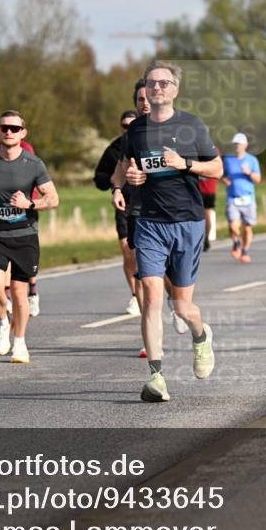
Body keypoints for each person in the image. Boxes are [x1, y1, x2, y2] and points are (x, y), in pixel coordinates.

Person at [116, 61, 221, 402]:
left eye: (164, 83)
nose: (157, 88)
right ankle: (157, 377)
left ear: (175, 89)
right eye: (151, 83)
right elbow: (123, 170)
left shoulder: (191, 125)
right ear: (145, 89)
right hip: (149, 222)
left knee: (181, 307)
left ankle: (201, 334)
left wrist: (186, 164)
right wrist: (124, 184)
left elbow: (217, 168)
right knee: (150, 296)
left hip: (188, 222)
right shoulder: (136, 132)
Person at [0, 110, 59, 364]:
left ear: (23, 133)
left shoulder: (34, 164)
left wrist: (29, 204)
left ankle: (19, 341)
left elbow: (53, 198)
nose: (9, 132)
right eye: (5, 128)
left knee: (19, 292)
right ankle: (2, 322)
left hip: (25, 236)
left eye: (14, 128)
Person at [94, 110, 140, 314]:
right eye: (125, 126)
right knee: (127, 250)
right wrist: (112, 181)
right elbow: (100, 176)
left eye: (132, 125)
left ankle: (163, 292)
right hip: (123, 205)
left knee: (145, 254)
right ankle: (135, 295)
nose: (128, 129)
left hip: (147, 205)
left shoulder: (147, 143)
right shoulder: (114, 148)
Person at [222, 132, 261, 263]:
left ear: (245, 145)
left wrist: (249, 173)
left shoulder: (252, 160)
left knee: (247, 227)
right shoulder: (227, 160)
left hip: (248, 198)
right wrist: (224, 179)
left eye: (239, 144)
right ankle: (236, 242)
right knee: (233, 225)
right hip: (232, 197)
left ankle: (245, 250)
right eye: (235, 144)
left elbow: (258, 179)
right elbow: (222, 174)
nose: (237, 146)